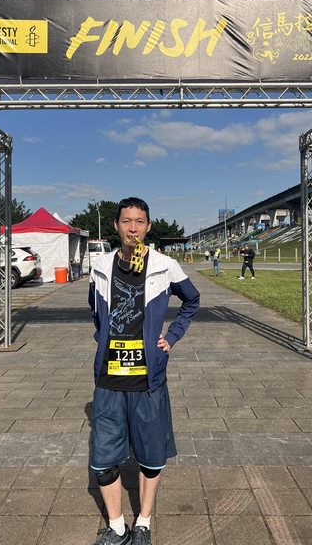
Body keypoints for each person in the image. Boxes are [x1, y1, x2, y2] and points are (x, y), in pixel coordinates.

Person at [88, 197, 200, 545]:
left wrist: (171, 337)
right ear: (116, 226)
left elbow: (192, 300)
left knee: (151, 458)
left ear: (148, 227)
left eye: (139, 222)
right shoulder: (100, 266)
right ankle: (117, 526)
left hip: (148, 379)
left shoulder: (165, 265)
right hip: (109, 379)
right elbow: (95, 310)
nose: (133, 228)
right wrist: (103, 340)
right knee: (102, 461)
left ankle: (144, 522)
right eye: (126, 221)